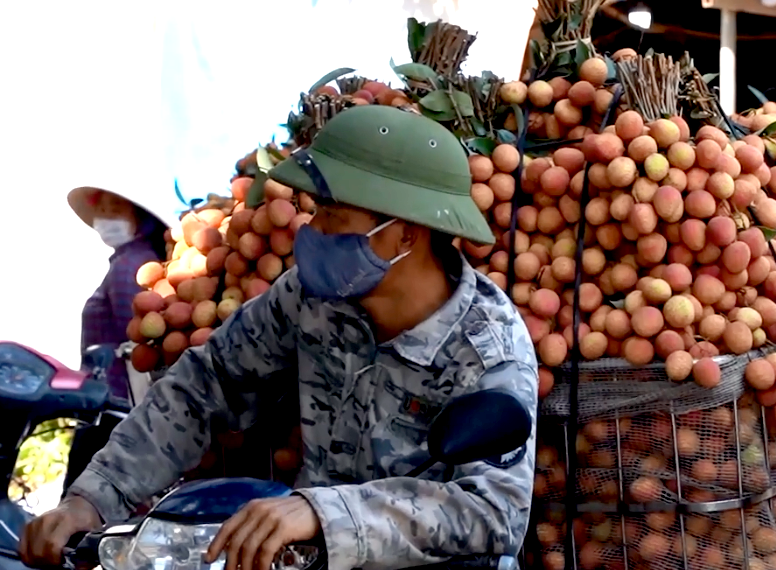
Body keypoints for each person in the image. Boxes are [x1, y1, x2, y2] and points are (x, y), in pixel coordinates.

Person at [22, 105, 540, 570]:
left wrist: (327, 513)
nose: (311, 229)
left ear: (405, 232)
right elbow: (207, 384)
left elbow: (493, 510)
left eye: (333, 214)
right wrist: (91, 499)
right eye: (315, 209)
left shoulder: (486, 348)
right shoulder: (311, 298)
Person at [62, 182, 174, 488]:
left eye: (117, 208)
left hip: (113, 410)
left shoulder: (130, 266)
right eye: (103, 208)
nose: (107, 216)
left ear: (139, 217)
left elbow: (137, 341)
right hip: (107, 406)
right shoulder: (129, 261)